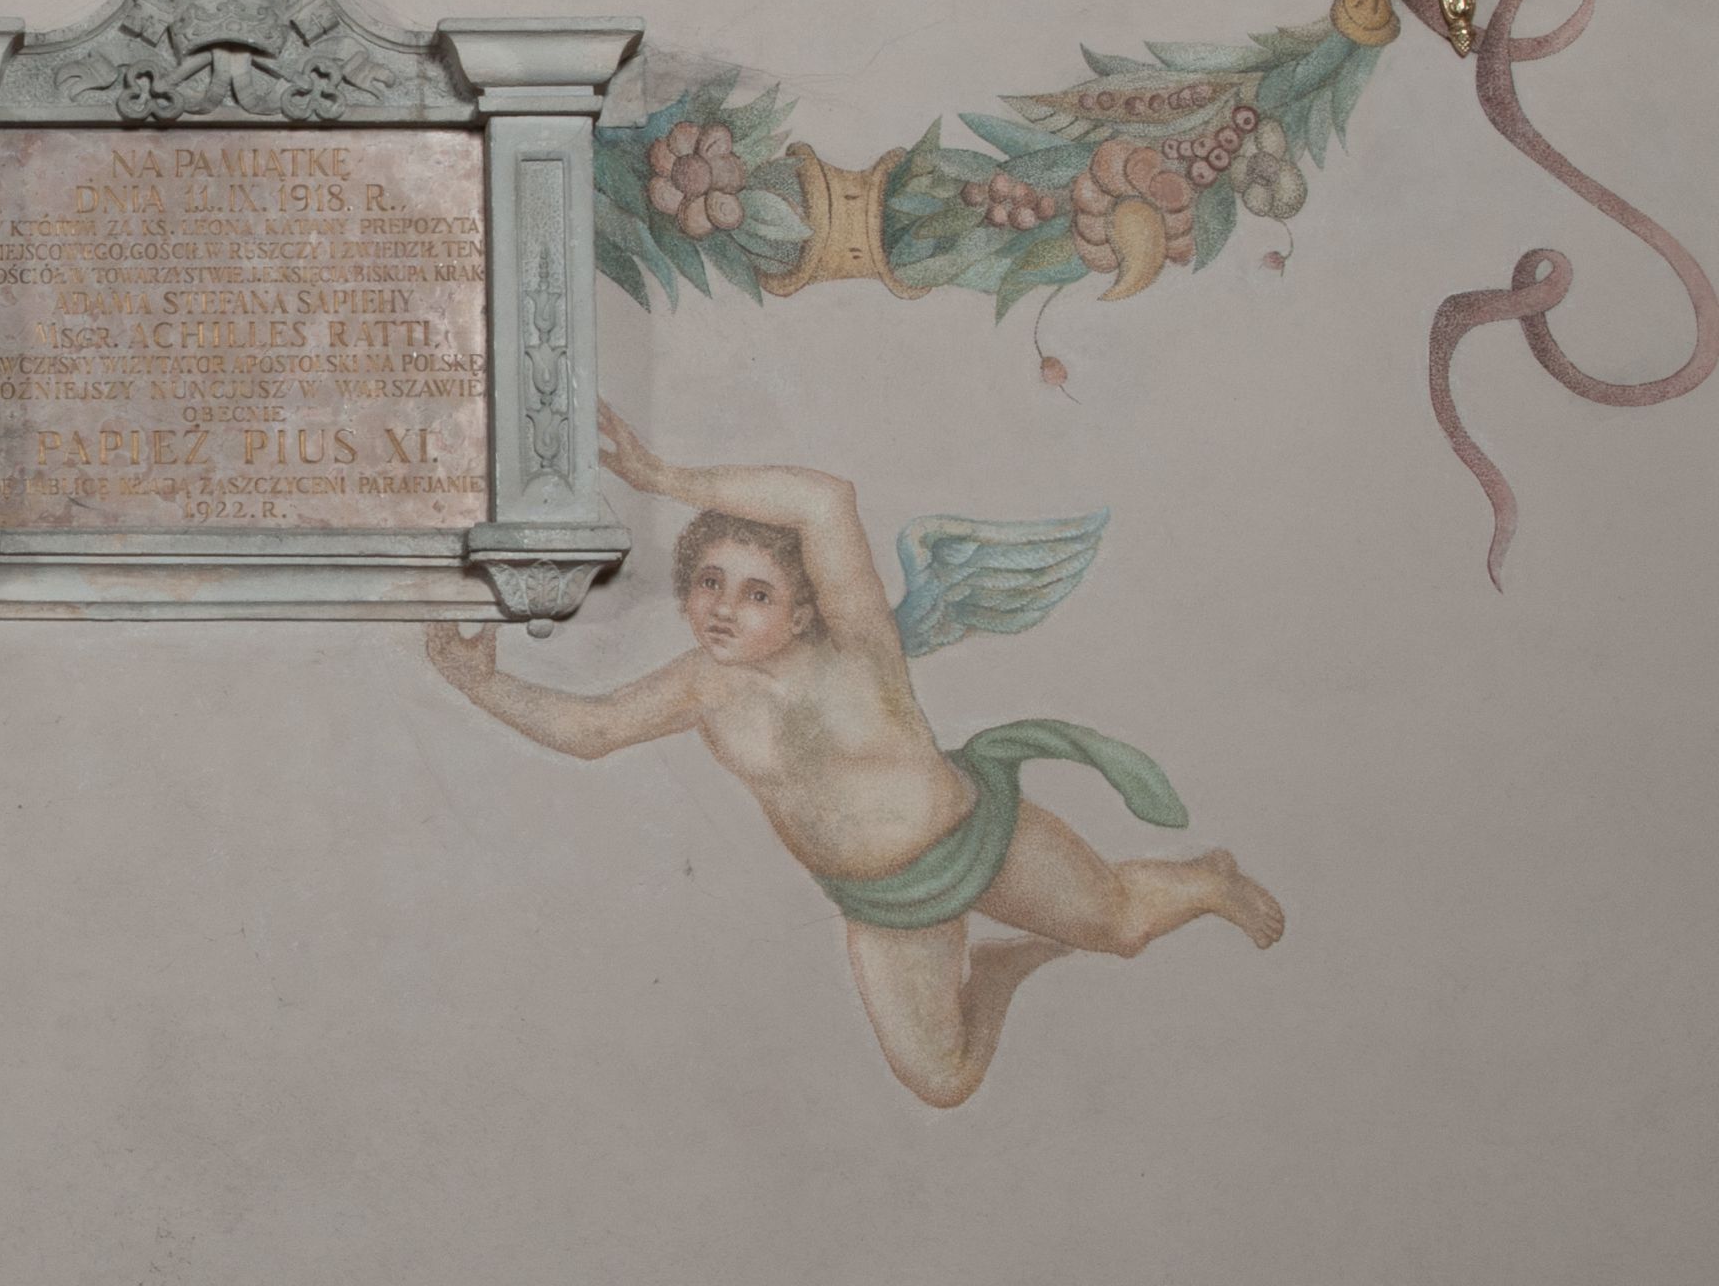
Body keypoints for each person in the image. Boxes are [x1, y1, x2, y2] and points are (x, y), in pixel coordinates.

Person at [423, 401, 1280, 1107]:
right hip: (886, 902)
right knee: (943, 1082)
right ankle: (998, 969)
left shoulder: (858, 646)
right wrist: (480, 685)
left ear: (803, 611)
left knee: (1122, 926)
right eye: (709, 582)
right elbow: (594, 730)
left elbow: (825, 498)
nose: (722, 607)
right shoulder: (702, 687)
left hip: (979, 837)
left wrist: (662, 478)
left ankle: (1210, 877)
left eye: (756, 593)